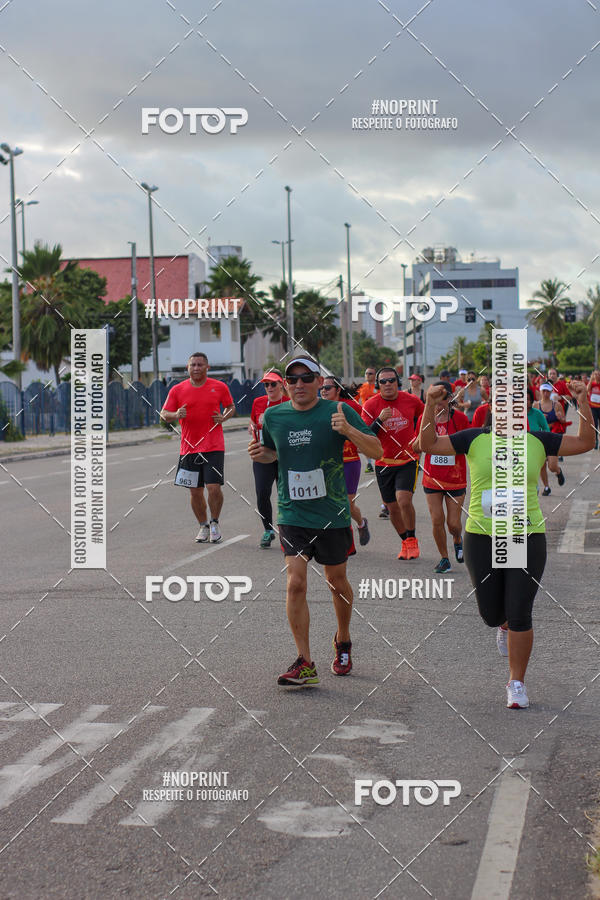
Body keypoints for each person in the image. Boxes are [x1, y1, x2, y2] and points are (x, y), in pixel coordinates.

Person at [418, 380, 594, 709]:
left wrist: (581, 401)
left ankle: (516, 682)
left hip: (525, 535)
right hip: (482, 536)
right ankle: (501, 624)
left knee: (520, 612)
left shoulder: (537, 441)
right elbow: (426, 443)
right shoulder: (474, 439)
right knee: (491, 613)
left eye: (515, 403)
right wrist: (429, 403)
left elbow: (586, 441)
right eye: (501, 402)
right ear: (492, 407)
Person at [248, 355, 382, 686]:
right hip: (293, 512)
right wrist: (261, 454)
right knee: (295, 582)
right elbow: (272, 452)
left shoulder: (338, 411)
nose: (298, 385)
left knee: (336, 582)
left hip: (332, 513)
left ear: (319, 383)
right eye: (291, 380)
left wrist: (349, 430)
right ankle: (305, 662)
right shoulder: (274, 417)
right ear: (284, 386)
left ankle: (343, 639)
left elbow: (377, 451)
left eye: (306, 378)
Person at [161, 352, 235, 543]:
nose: (196, 368)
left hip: (213, 446)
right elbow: (163, 414)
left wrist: (224, 417)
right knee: (195, 491)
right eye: (193, 365)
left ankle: (215, 522)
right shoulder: (177, 390)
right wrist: (176, 414)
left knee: (213, 487)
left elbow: (230, 406)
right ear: (187, 368)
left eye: (200, 365)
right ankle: (203, 526)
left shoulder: (219, 387)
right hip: (189, 448)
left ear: (207, 367)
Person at [362, 367, 425, 559]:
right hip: (383, 462)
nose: (387, 384)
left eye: (391, 381)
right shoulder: (372, 405)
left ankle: (412, 539)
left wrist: (421, 439)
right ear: (378, 385)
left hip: (408, 459)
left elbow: (425, 419)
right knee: (392, 507)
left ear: (397, 382)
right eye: (383, 382)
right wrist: (380, 420)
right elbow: (366, 434)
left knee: (404, 500)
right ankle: (405, 541)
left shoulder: (412, 400)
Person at [413, 382, 470, 572]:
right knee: (436, 519)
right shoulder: (424, 418)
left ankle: (457, 538)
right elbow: (415, 447)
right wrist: (420, 442)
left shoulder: (460, 419)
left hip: (456, 478)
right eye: (434, 396)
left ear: (450, 398)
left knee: (453, 524)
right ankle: (444, 558)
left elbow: (470, 444)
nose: (439, 401)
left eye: (443, 396)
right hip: (432, 478)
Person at [320, 376, 370, 546]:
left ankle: (360, 524)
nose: (324, 391)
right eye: (322, 388)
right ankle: (345, 535)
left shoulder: (351, 407)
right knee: (330, 503)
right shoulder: (318, 408)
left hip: (350, 461)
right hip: (328, 463)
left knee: (347, 504)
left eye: (328, 388)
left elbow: (364, 429)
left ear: (338, 389)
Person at [249, 372, 288, 548]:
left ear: (282, 384)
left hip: (286, 455)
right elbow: (253, 422)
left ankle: (288, 529)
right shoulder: (258, 403)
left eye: (273, 384)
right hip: (262, 454)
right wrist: (251, 428)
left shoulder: (289, 403)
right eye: (266, 385)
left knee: (285, 494)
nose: (270, 388)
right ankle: (268, 530)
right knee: (262, 492)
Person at [534, 383, 567, 488]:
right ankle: (546, 487)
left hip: (553, 436)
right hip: (541, 436)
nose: (545, 393)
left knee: (552, 466)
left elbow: (564, 421)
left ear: (551, 392)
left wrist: (560, 418)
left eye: (547, 391)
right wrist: (539, 418)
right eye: (543, 391)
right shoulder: (535, 405)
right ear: (540, 391)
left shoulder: (556, 405)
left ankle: (558, 471)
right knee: (542, 465)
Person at [526, 387, 551, 495]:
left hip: (535, 448)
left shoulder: (537, 413)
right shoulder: (513, 414)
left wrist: (543, 445)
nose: (524, 401)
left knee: (541, 468)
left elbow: (546, 429)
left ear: (531, 400)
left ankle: (546, 487)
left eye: (527, 399)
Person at [358, 367, 377, 472]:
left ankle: (381, 460)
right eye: (366, 373)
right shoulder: (362, 387)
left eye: (370, 373)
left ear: (375, 375)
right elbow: (355, 400)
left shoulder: (379, 387)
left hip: (378, 416)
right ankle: (369, 464)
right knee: (365, 440)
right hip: (365, 416)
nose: (368, 375)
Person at [587, 369, 600, 449]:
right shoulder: (592, 384)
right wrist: (591, 380)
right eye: (595, 374)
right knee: (594, 425)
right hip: (593, 407)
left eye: (598, 374)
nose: (597, 376)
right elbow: (587, 389)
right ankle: (596, 441)